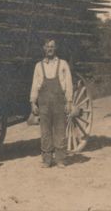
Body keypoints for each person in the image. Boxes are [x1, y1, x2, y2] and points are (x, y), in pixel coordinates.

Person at [29, 39, 73, 168]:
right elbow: (34, 86)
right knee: (45, 131)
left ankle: (60, 159)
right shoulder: (39, 66)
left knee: (60, 130)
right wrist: (33, 102)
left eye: (52, 47)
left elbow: (68, 84)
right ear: (44, 48)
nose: (50, 49)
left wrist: (69, 101)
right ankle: (47, 160)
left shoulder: (63, 64)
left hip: (59, 102)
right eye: (47, 46)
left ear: (55, 48)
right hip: (44, 103)